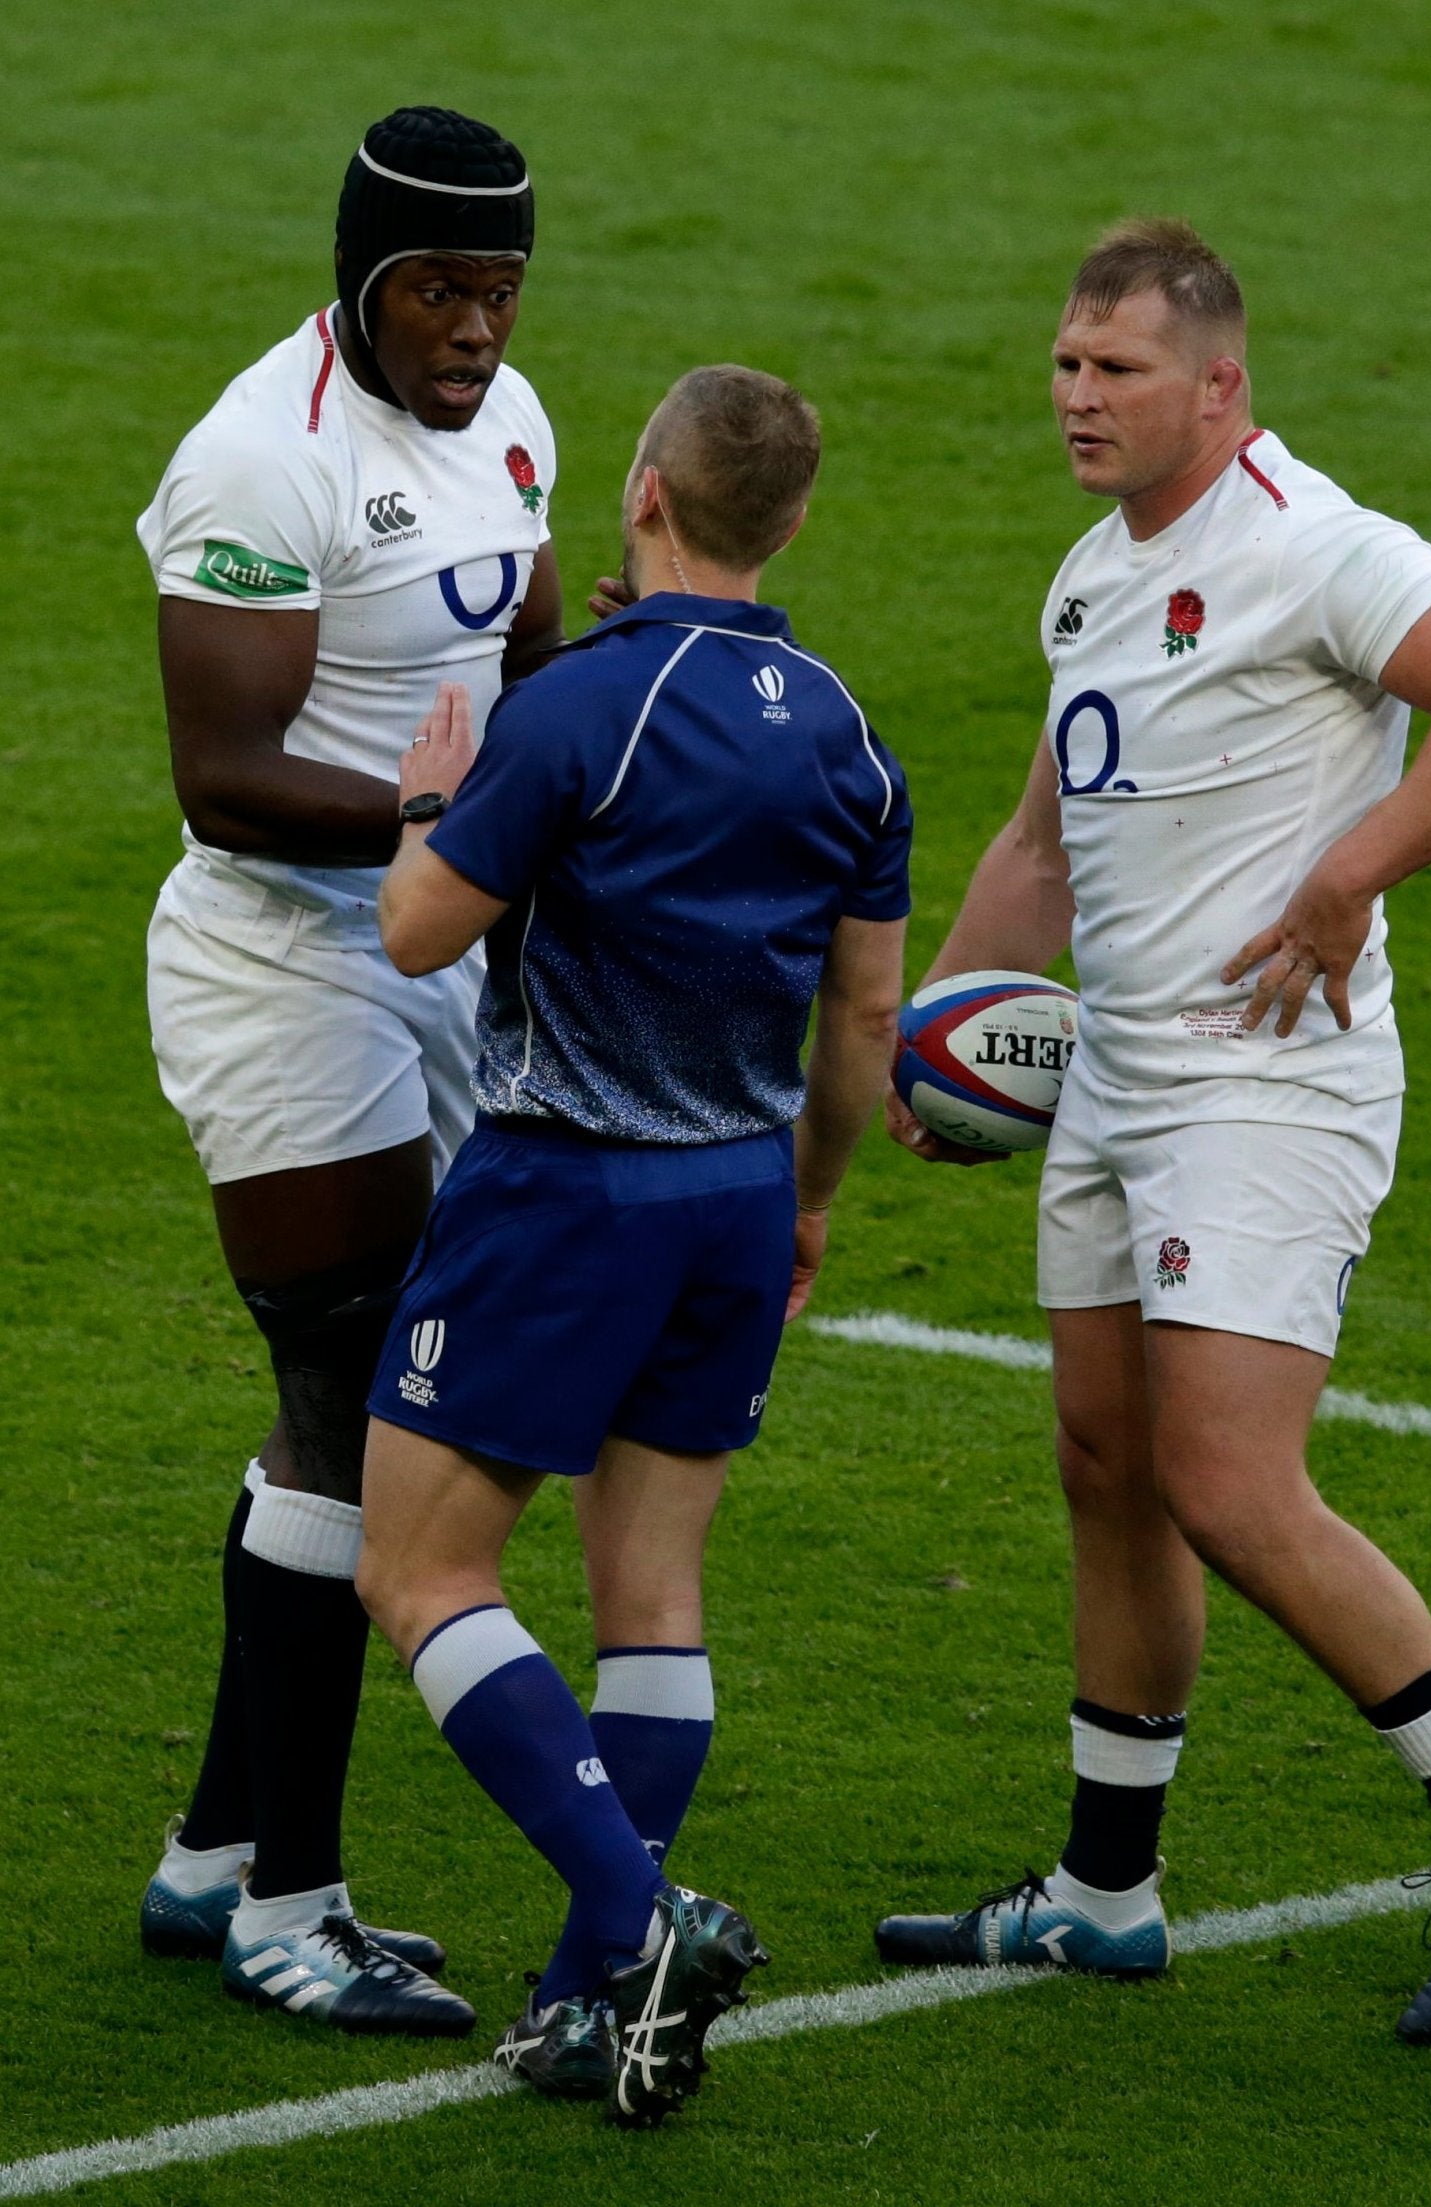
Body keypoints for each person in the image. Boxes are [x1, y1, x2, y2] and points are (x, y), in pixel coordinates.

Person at [874, 219, 1431, 2046]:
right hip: (1120, 1085)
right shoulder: (1089, 580)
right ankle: (1105, 1893)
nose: (1076, 397)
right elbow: (1045, 842)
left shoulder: (1311, 544)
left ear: (1221, 383)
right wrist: (929, 1035)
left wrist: (1350, 872)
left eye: (1115, 370)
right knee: (1107, 1469)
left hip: (1268, 1084)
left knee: (1225, 1478)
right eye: (1063, 363)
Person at [352, 363, 912, 2125]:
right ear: (793, 520)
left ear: (645, 496)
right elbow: (865, 1024)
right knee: (649, 1597)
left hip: (559, 1194)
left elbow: (421, 939)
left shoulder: (580, 706)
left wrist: (428, 807)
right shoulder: (848, 735)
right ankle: (598, 2002)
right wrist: (813, 1196)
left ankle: (640, 1917)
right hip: (737, 1204)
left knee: (420, 1575)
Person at [135, 105, 565, 2035]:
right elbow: (222, 775)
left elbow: (541, 675)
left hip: (436, 956)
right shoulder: (262, 456)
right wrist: (454, 825)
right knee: (357, 1383)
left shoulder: (520, 422)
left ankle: (219, 1851)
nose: (472, 328)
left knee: (349, 1409)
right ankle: (293, 1912)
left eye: (498, 289)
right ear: (361, 278)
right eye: (438, 290)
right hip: (278, 968)